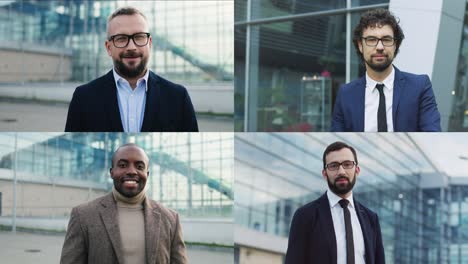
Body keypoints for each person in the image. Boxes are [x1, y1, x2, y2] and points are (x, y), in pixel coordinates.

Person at [65, 7, 198, 132]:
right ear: (108, 48)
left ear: (150, 43)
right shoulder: (83, 98)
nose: (131, 47)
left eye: (139, 37)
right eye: (121, 39)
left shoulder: (178, 97)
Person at [60, 143, 188, 264]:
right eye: (122, 165)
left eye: (139, 167)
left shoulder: (171, 219)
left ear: (147, 174)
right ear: (111, 172)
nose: (132, 171)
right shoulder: (83, 216)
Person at [331, 9, 441, 132]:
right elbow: (337, 142)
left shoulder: (420, 86)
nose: (379, 47)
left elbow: (433, 135)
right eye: (371, 40)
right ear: (360, 45)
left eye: (387, 39)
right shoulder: (346, 94)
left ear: (395, 45)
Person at [285, 141, 385, 264]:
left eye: (347, 164)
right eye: (333, 166)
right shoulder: (305, 215)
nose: (341, 171)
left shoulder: (371, 219)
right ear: (324, 174)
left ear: (357, 170)